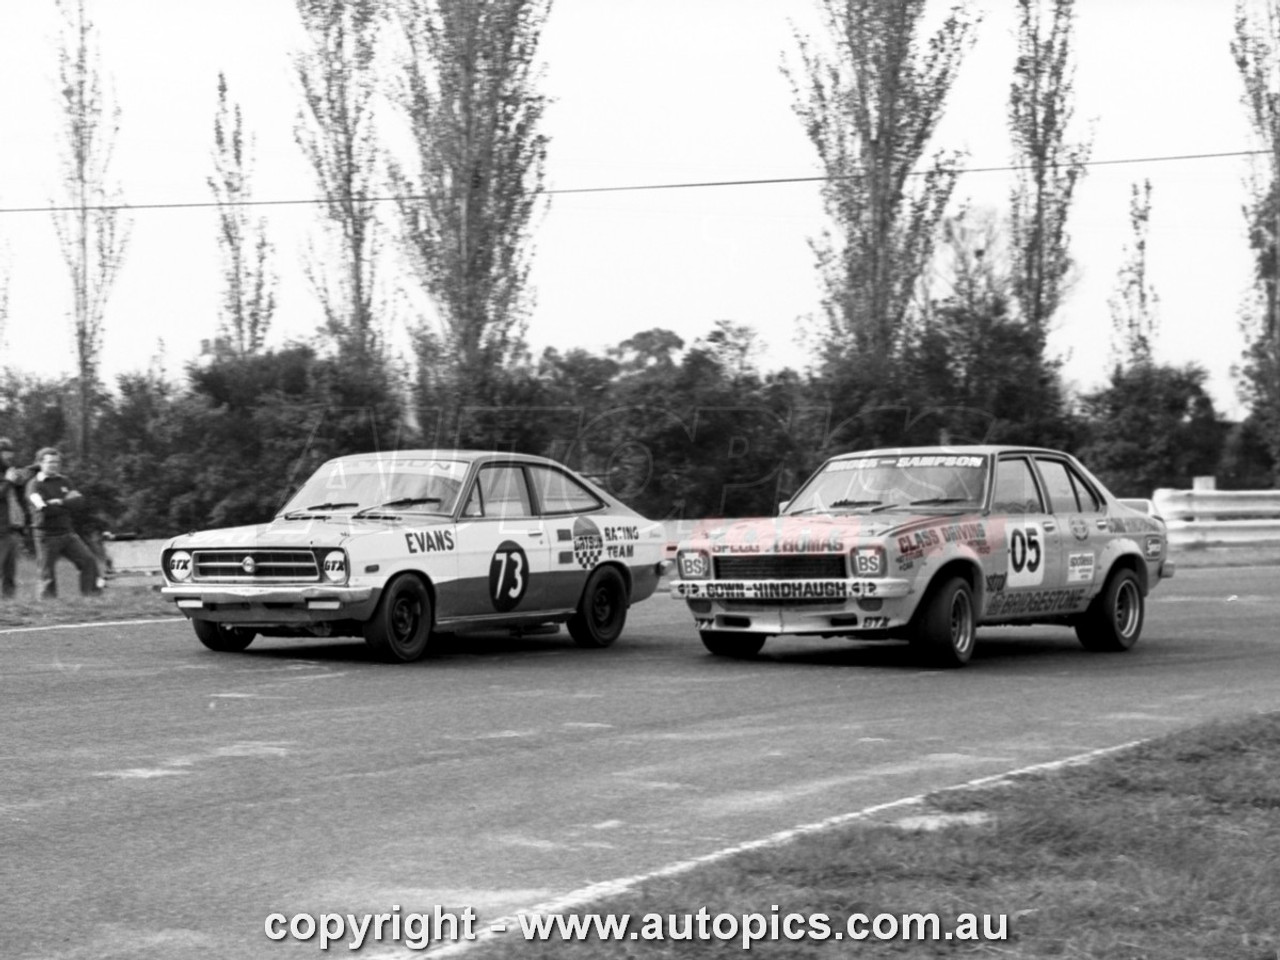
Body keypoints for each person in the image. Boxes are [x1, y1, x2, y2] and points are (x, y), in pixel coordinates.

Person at [25, 447, 100, 598]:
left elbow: (79, 502)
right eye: (50, 462)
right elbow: (43, 508)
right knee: (47, 574)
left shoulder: (64, 481)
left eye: (57, 462)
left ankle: (90, 597)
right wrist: (65, 503)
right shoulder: (34, 485)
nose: (54, 465)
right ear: (40, 463)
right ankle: (48, 606)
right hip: (46, 535)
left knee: (88, 562)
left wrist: (58, 502)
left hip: (67, 532)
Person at [0, 438, 31, 598]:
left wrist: (19, 481)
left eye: (10, 452)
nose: (9, 456)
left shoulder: (9, 472)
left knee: (9, 573)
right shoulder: (6, 477)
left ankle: (8, 606)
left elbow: (17, 501)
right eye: (4, 452)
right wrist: (8, 481)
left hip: (12, 529)